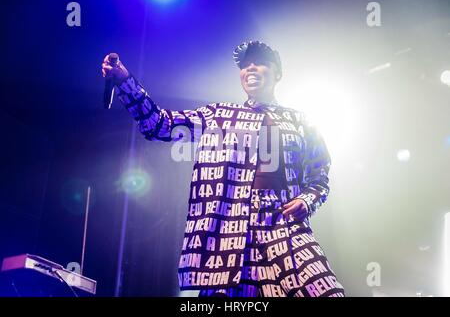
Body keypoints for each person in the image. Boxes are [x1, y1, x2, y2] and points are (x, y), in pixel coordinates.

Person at [101, 41, 345, 297]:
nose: (250, 68)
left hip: (283, 221)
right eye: (244, 64)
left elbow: (320, 177)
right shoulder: (218, 115)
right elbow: (159, 124)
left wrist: (306, 201)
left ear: (277, 73)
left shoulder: (302, 121)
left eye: (259, 62)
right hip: (229, 230)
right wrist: (124, 80)